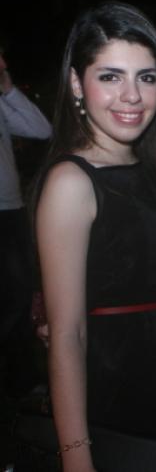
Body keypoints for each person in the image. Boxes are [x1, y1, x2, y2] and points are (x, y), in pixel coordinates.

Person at [33, 1, 156, 472]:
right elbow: (67, 335)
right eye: (111, 76)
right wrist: (76, 457)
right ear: (77, 84)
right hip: (123, 395)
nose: (132, 96)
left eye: (146, 77)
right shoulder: (71, 182)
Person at [0, 43, 51, 397]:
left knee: (21, 295)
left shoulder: (2, 102)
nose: (3, 63)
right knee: (13, 296)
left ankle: (22, 380)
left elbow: (41, 129)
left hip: (11, 209)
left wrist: (8, 90)